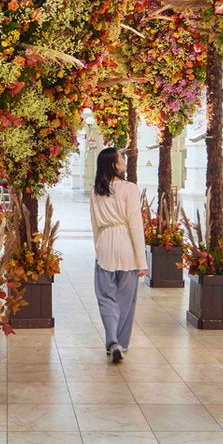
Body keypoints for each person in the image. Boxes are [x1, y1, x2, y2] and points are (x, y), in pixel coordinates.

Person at [90, 145, 146, 362]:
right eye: (121, 158)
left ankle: (111, 339)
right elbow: (135, 225)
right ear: (114, 164)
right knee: (126, 298)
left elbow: (95, 224)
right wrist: (142, 260)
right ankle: (120, 343)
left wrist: (99, 246)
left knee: (105, 296)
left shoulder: (97, 190)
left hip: (105, 242)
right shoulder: (130, 188)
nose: (124, 160)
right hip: (127, 246)